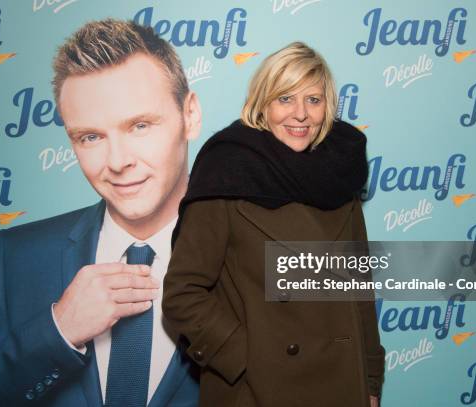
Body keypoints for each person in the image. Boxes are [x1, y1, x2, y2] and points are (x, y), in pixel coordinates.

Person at [0, 19, 201, 407]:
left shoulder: (270, 250)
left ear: (190, 115)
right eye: (91, 137)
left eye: (139, 126)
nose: (117, 161)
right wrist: (56, 333)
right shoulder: (17, 256)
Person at [162, 42, 385, 407]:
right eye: (285, 99)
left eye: (313, 100)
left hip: (342, 385)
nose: (300, 114)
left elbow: (359, 292)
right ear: (262, 103)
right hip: (255, 392)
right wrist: (246, 356)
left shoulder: (339, 174)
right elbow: (182, 294)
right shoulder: (227, 170)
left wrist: (370, 381)